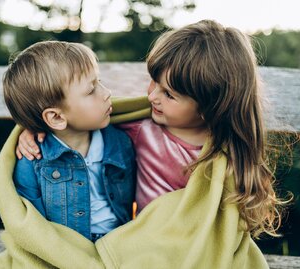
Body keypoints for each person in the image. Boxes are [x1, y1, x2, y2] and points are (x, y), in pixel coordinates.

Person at [17, 20, 284, 238]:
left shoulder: (226, 154)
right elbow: (73, 118)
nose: (152, 97)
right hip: (143, 243)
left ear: (210, 106)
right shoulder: (140, 128)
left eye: (168, 94)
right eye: (153, 82)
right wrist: (32, 129)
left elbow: (224, 227)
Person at [3, 41, 136, 242]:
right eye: (91, 90)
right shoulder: (32, 159)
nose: (107, 92)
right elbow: (30, 227)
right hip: (65, 249)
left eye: (99, 82)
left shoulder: (121, 142)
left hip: (119, 242)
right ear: (56, 118)